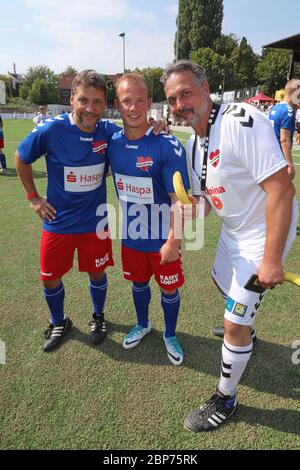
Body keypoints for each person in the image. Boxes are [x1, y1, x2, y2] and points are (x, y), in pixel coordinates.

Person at [163, 60, 298, 430]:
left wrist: (270, 259)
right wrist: (178, 232)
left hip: (262, 232)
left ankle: (226, 398)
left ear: (206, 90)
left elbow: (283, 190)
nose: (179, 105)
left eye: (186, 93)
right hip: (234, 230)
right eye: (172, 99)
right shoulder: (195, 142)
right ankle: (245, 329)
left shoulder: (239, 120)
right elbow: (205, 200)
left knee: (233, 322)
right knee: (221, 282)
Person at [15, 70, 119, 352]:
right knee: (49, 277)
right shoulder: (52, 129)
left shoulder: (109, 131)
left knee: (97, 273)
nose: (90, 108)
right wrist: (34, 197)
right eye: (83, 100)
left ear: (104, 104)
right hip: (58, 222)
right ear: (72, 99)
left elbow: (140, 133)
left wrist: (158, 125)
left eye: (97, 102)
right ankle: (59, 320)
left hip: (94, 223)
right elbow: (21, 158)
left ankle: (98, 317)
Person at [106, 72, 190, 365]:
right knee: (138, 285)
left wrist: (173, 241)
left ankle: (170, 334)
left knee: (169, 288)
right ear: (118, 104)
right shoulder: (111, 142)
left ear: (149, 103)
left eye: (140, 100)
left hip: (162, 239)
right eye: (127, 101)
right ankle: (143, 324)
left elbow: (178, 200)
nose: (133, 107)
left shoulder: (166, 144)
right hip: (131, 237)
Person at [269, 79, 300, 180]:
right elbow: (284, 140)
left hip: (271, 157)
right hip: (280, 159)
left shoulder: (275, 107)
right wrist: (290, 165)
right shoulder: (288, 111)